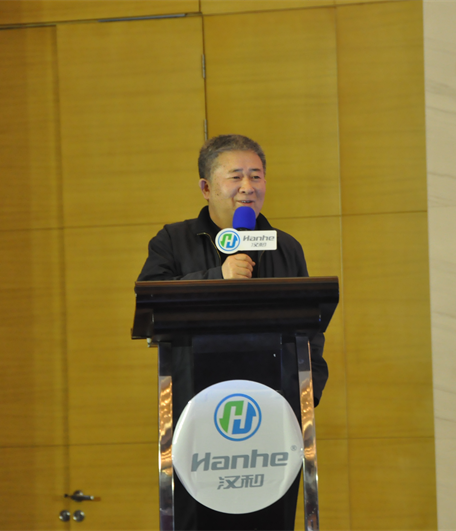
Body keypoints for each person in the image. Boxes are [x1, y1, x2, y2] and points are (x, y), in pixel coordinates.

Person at [137, 134, 327, 530]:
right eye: (236, 176)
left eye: (256, 176)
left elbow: (311, 328)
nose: (248, 187)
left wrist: (307, 394)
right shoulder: (173, 240)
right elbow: (152, 299)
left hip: (274, 414)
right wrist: (216, 277)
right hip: (196, 411)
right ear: (206, 188)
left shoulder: (285, 247)